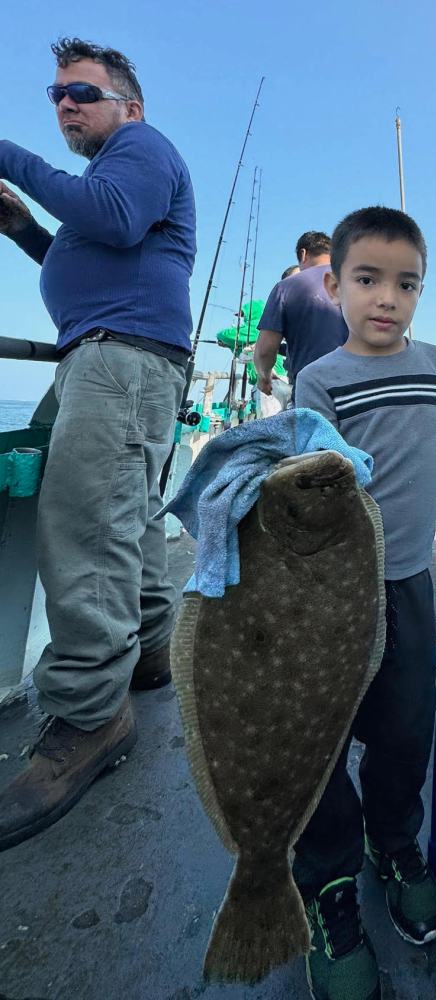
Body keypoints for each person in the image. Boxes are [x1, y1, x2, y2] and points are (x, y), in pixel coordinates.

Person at [0, 38, 196, 852]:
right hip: (112, 356)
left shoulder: (141, 149)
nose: (64, 105)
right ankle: (149, 653)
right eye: (54, 95)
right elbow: (90, 246)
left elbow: (110, 216)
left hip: (121, 360)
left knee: (86, 529)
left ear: (130, 106)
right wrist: (24, 230)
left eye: (81, 91)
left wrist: (8, 155)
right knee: (131, 518)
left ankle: (89, 718)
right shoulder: (109, 176)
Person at [293, 207, 436, 1000]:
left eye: (406, 285)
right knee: (321, 745)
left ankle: (393, 842)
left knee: (407, 729)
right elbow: (305, 480)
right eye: (368, 280)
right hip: (334, 598)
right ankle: (329, 882)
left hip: (409, 581)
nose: (387, 299)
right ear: (333, 285)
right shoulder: (319, 380)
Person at [254, 230, 348, 395]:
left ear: (303, 254)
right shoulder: (358, 280)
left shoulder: (285, 287)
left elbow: (265, 351)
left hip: (313, 389)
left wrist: (264, 378)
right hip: (366, 386)